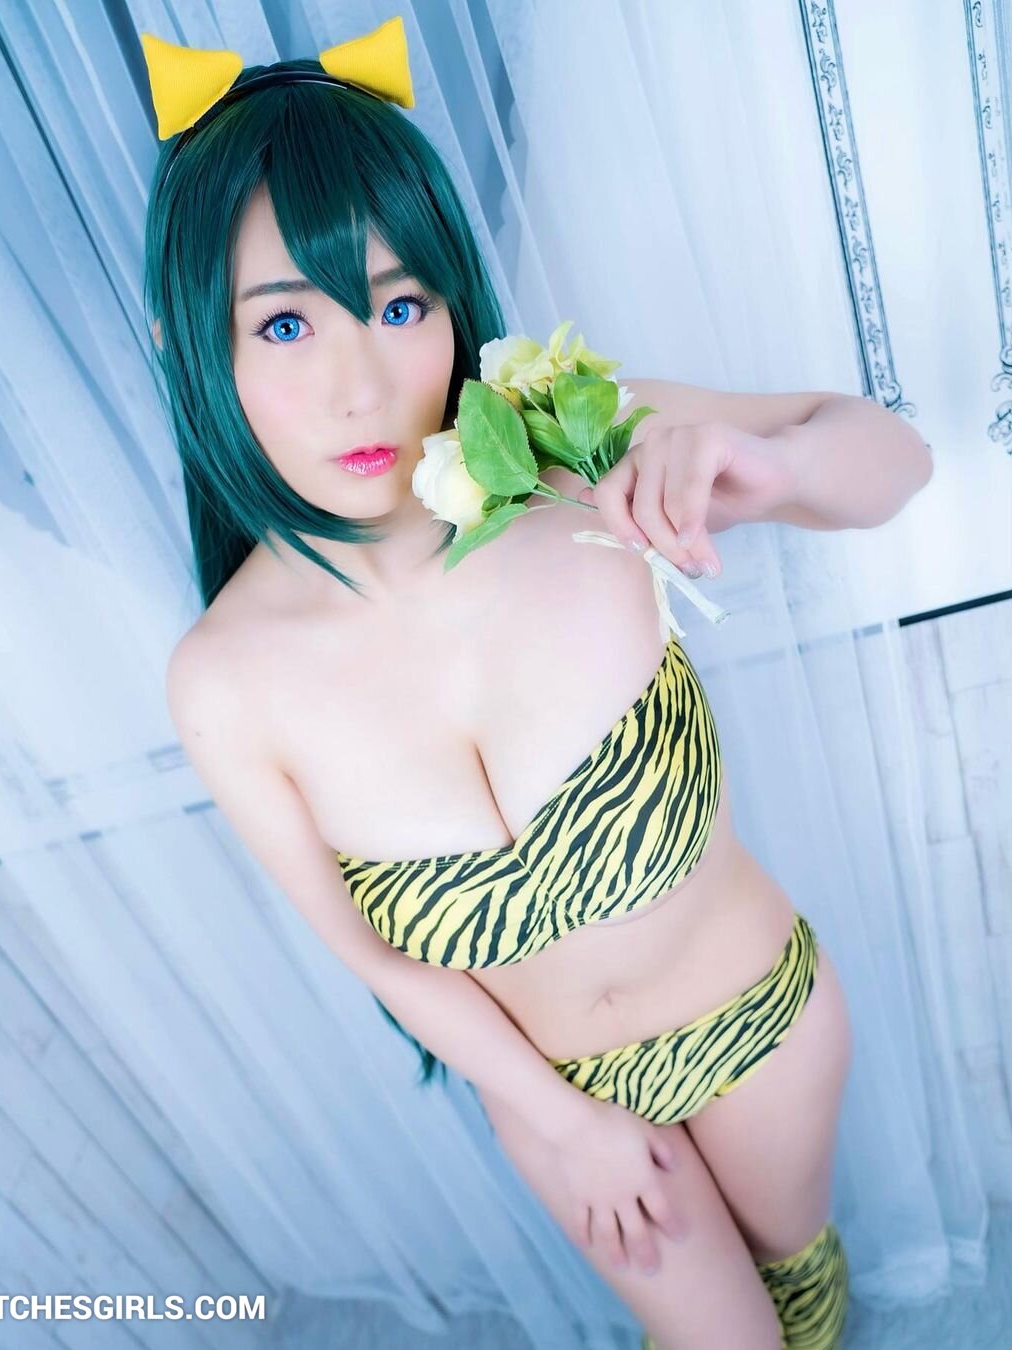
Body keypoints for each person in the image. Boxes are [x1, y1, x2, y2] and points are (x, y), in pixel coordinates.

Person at [141, 18, 926, 1349]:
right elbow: (367, 949)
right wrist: (562, 1122)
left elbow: (895, 462)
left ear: (454, 302)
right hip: (558, 1106)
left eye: (399, 306)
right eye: (283, 323)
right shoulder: (225, 681)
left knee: (802, 1292)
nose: (360, 385)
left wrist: (776, 469)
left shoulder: (572, 450)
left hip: (762, 1022)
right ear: (188, 346)